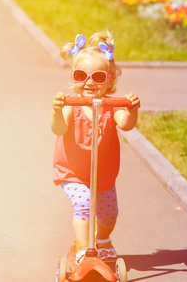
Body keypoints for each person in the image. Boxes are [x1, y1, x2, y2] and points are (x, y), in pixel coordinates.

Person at [51, 30, 140, 265]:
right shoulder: (72, 105)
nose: (89, 82)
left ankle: (102, 240)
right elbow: (58, 129)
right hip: (73, 173)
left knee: (109, 215)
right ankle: (84, 251)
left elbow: (126, 125)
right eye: (81, 75)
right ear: (73, 76)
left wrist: (132, 111)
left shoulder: (111, 107)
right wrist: (57, 110)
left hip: (103, 175)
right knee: (83, 205)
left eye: (98, 77)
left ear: (110, 80)